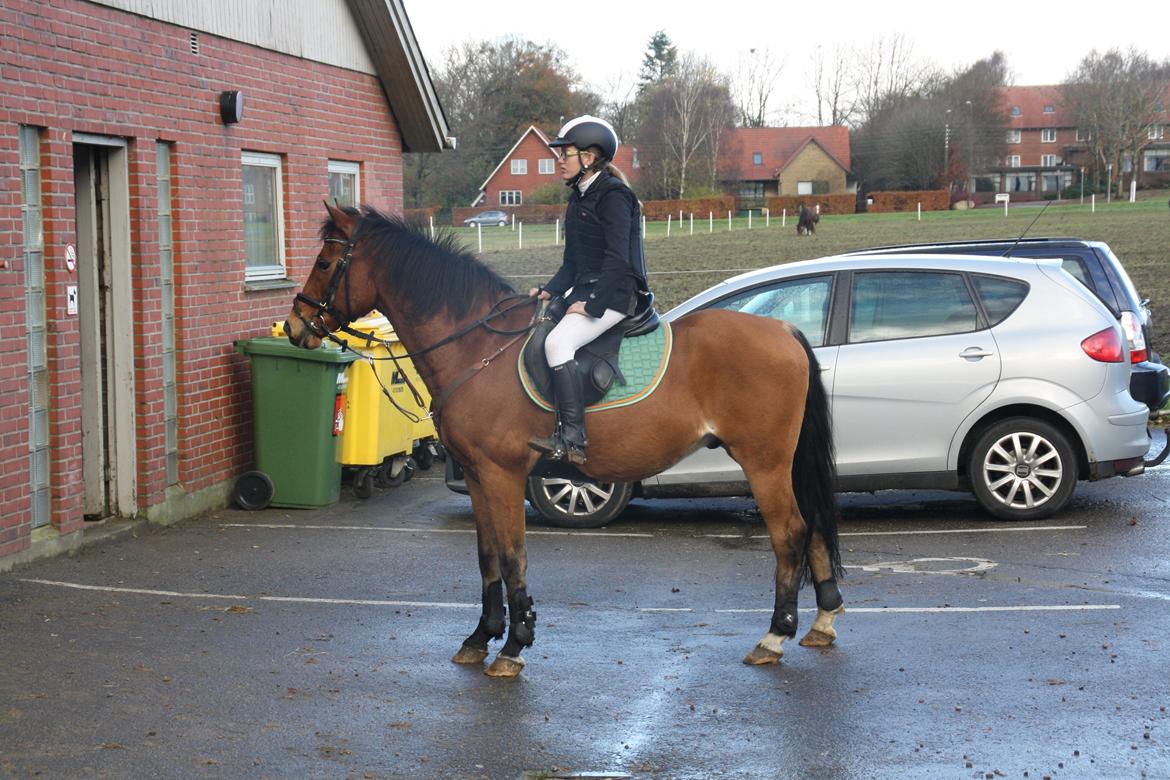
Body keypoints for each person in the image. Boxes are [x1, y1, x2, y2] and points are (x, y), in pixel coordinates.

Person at [527, 115, 651, 465]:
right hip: (586, 287)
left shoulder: (614, 196)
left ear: (589, 158)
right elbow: (572, 264)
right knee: (537, 328)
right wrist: (549, 291)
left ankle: (573, 436)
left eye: (565, 153)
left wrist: (592, 306)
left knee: (557, 342)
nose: (559, 160)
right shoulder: (578, 198)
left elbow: (618, 260)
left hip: (616, 294)